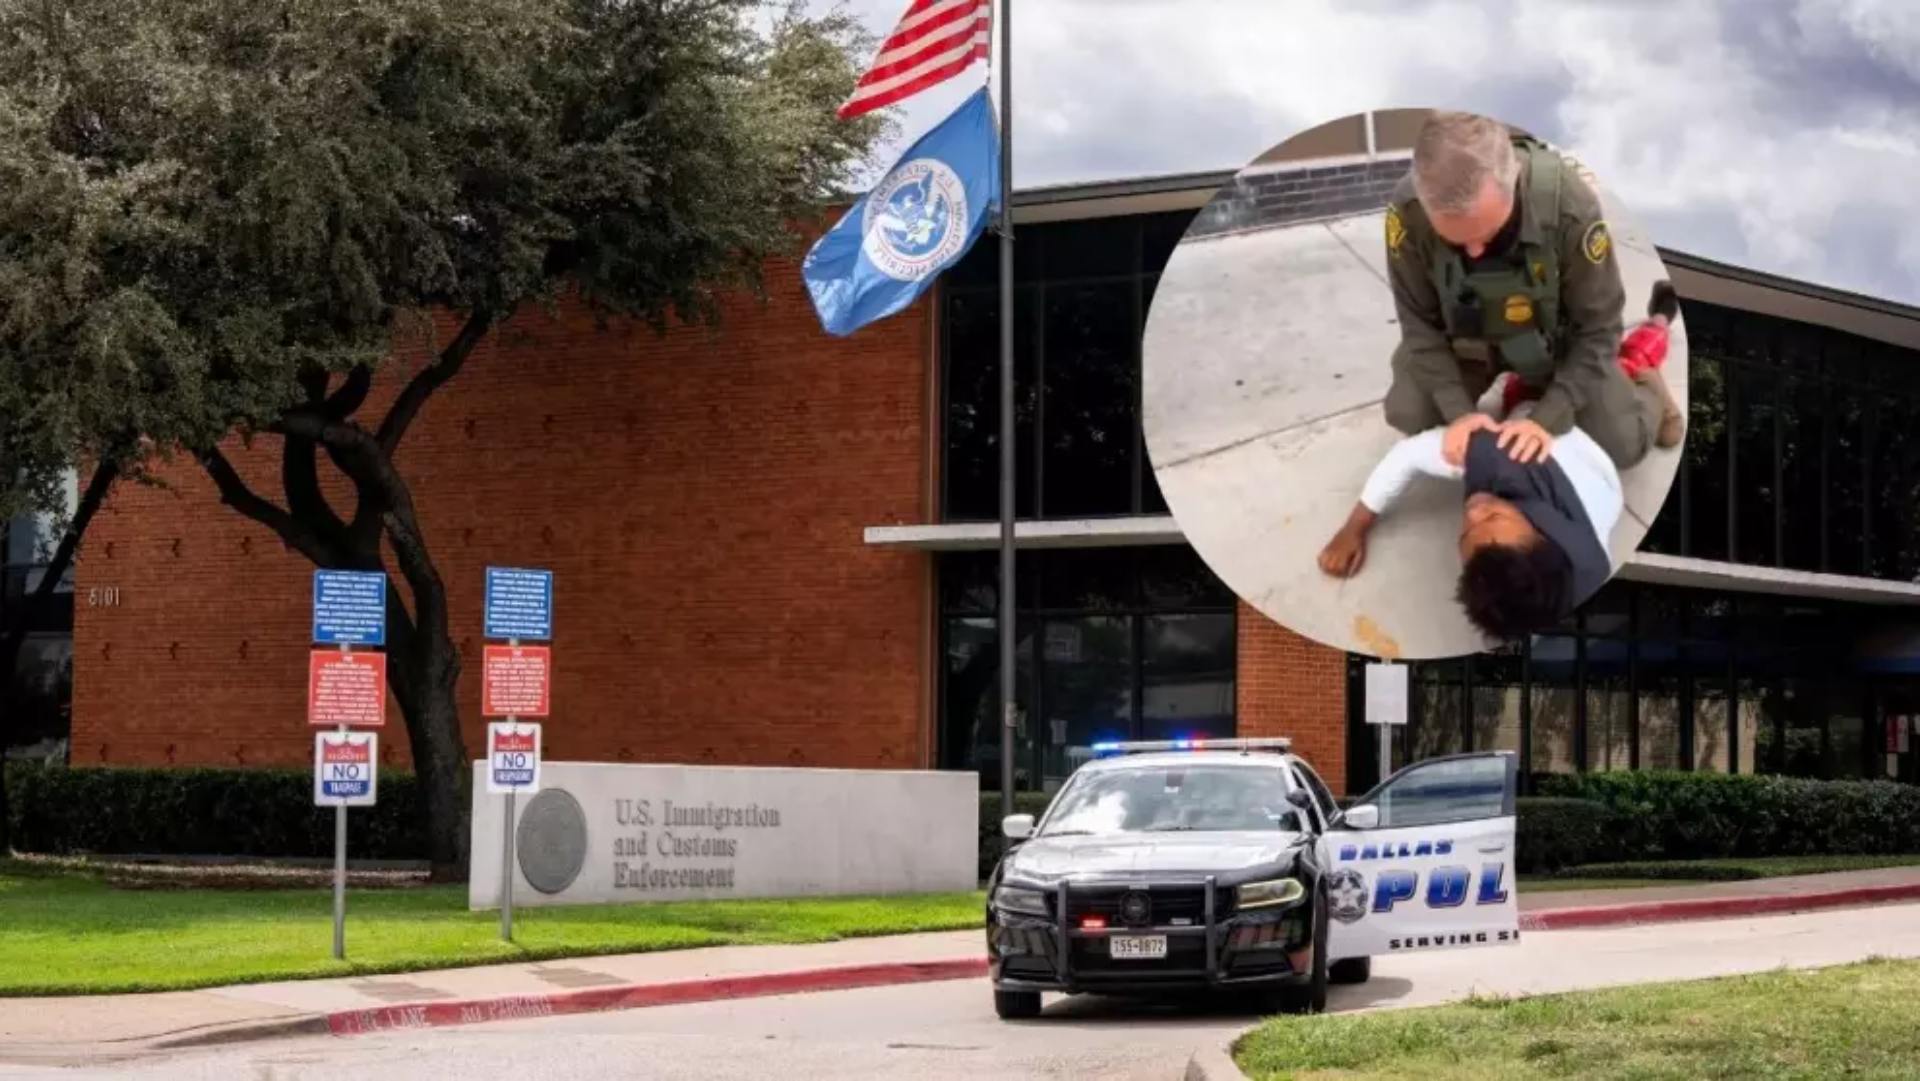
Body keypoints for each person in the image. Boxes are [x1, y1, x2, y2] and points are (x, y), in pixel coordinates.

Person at [1318, 283, 1681, 642]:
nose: (1474, 511)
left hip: (1543, 390)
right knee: (1633, 375)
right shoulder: (1505, 455)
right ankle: (1653, 346)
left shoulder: (1557, 563)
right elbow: (1408, 454)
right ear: (1546, 528)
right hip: (1572, 413)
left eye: (1464, 533)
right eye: (1493, 516)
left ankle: (1638, 364)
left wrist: (1355, 528)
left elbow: (1410, 457)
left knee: (1610, 407)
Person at [1381, 110, 1683, 474]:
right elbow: (1419, 325)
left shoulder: (1567, 204)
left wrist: (1547, 417)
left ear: (1514, 181)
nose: (1475, 253)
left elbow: (1599, 328)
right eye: (1456, 241)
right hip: (1467, 343)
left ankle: (1646, 384)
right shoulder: (1407, 212)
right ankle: (1515, 385)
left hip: (1556, 347)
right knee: (1410, 413)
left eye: (1489, 234)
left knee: (1623, 446)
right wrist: (1459, 415)